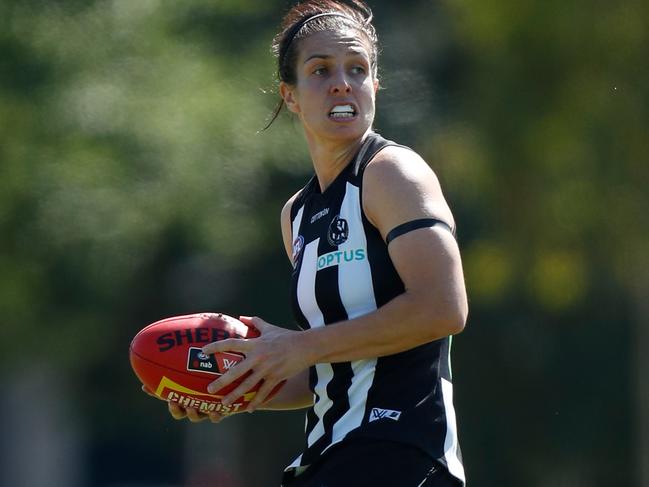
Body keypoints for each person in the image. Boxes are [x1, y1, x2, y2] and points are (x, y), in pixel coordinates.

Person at [148, 1, 468, 485]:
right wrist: (238, 387)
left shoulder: (392, 173)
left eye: (357, 69)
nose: (342, 82)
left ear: (375, 86)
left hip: (402, 455)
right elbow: (329, 369)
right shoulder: (296, 214)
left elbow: (444, 307)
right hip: (328, 457)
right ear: (290, 95)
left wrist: (299, 345)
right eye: (320, 70)